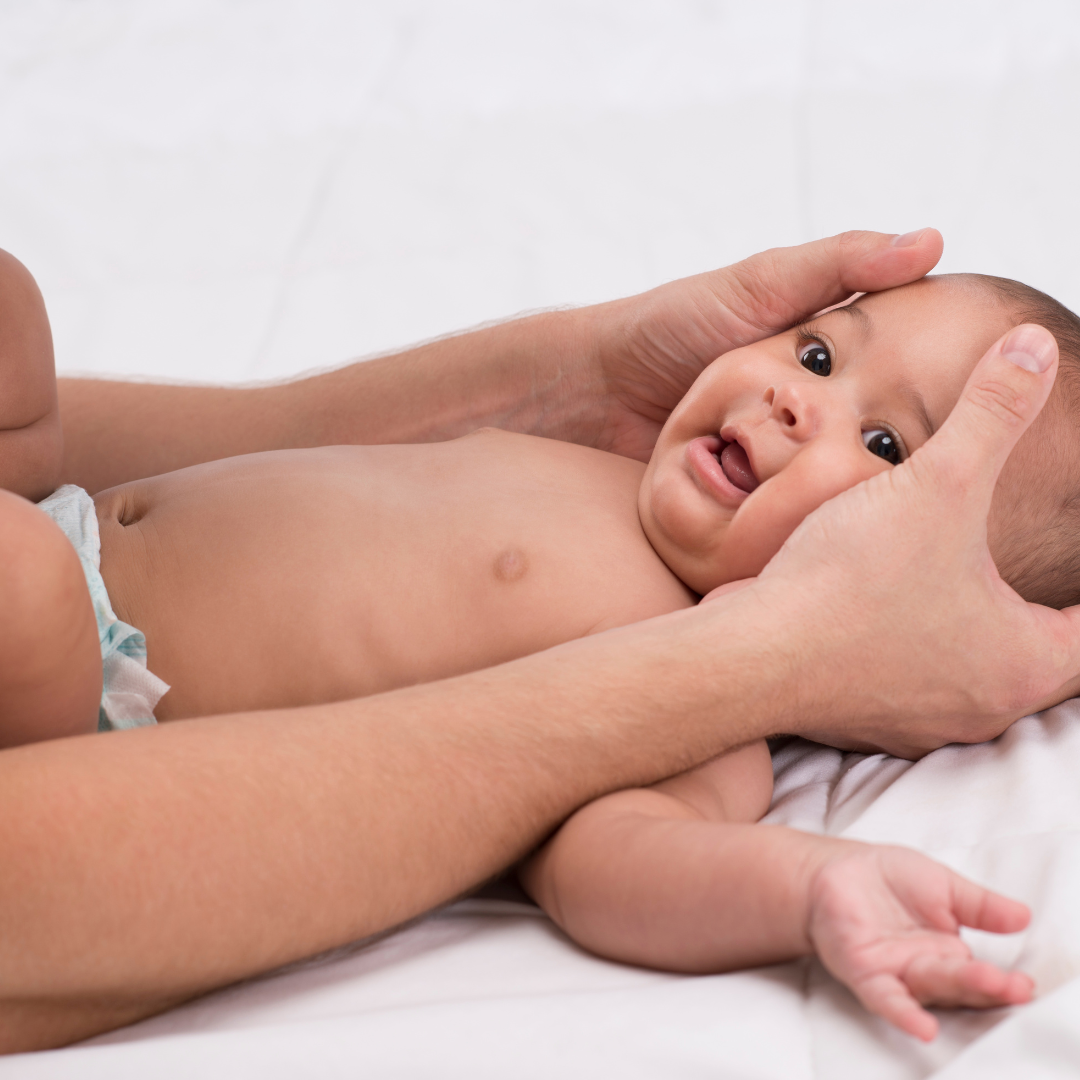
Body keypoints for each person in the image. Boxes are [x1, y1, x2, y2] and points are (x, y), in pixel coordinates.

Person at [0, 229, 1076, 1054]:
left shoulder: (693, 687)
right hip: (66, 514)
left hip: (85, 694)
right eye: (820, 351)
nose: (797, 400)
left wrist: (804, 888)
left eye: (886, 443)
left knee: (22, 576)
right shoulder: (599, 462)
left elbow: (616, 862)